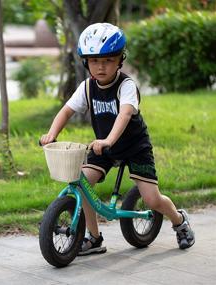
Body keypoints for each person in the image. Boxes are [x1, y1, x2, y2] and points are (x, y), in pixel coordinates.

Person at [40, 23, 195, 255]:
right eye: (94, 61)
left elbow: (124, 114)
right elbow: (67, 111)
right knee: (81, 184)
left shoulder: (127, 86)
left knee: (152, 200)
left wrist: (109, 140)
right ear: (86, 62)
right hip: (105, 146)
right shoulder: (87, 87)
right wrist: (52, 134)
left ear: (120, 60)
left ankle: (179, 220)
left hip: (134, 146)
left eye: (108, 60)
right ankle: (93, 238)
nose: (101, 67)